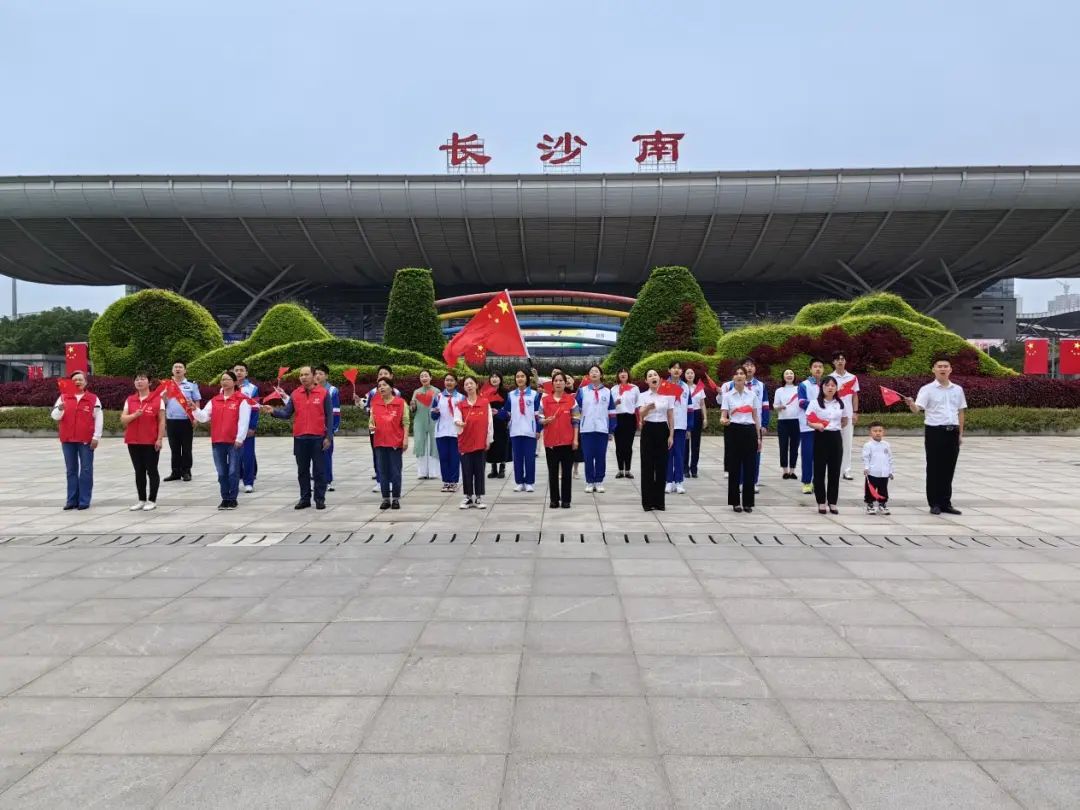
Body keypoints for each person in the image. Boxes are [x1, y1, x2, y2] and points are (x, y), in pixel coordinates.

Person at [262, 365, 333, 510]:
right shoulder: (295, 394)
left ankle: (319, 499)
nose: (303, 377)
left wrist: (329, 436)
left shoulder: (323, 393)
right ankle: (304, 498)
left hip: (318, 438)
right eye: (301, 375)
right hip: (300, 438)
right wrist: (273, 411)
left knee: (319, 471)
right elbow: (287, 413)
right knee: (302, 471)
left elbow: (329, 416)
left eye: (306, 374)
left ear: (314, 376)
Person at [905, 357, 967, 515]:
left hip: (952, 431)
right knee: (934, 468)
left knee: (949, 469)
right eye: (939, 366)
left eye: (946, 366)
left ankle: (946, 502)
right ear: (933, 369)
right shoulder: (927, 389)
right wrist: (911, 404)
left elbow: (960, 411)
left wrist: (960, 433)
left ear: (950, 369)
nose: (943, 369)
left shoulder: (957, 389)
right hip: (935, 432)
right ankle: (934, 503)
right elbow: (918, 409)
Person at [193, 370, 251, 510]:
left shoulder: (242, 399)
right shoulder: (215, 400)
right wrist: (194, 409)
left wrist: (240, 438)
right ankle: (225, 498)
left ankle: (233, 498)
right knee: (221, 472)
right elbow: (203, 417)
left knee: (233, 471)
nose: (224, 382)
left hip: (233, 442)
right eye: (222, 380)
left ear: (234, 382)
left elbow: (244, 421)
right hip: (217, 441)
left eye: (227, 379)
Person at [51, 370, 102, 510]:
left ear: (85, 382)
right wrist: (60, 409)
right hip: (67, 440)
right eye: (74, 380)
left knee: (86, 469)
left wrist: (96, 437)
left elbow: (98, 418)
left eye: (80, 379)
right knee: (71, 470)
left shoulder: (93, 398)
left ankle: (84, 500)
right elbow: (55, 416)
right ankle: (71, 500)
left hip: (86, 440)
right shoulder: (63, 397)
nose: (77, 382)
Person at [718, 358, 769, 493]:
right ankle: (738, 484)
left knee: (752, 458)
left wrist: (763, 425)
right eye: (738, 372)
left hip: (751, 429)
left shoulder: (758, 388)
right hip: (734, 428)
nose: (740, 375)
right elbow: (723, 411)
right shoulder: (728, 388)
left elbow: (761, 410)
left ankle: (752, 482)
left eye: (750, 366)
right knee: (735, 459)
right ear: (733, 375)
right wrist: (724, 420)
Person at [120, 370, 166, 511]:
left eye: (142, 379)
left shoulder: (158, 400)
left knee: (151, 470)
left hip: (150, 441)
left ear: (149, 382)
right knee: (138, 471)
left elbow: (161, 421)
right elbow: (123, 419)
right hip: (133, 441)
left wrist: (159, 438)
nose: (139, 381)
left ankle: (152, 500)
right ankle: (141, 499)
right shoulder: (130, 400)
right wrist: (135, 415)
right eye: (137, 379)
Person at [806, 375, 849, 515]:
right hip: (820, 436)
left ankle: (833, 502)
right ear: (822, 387)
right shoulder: (815, 403)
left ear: (836, 388)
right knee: (819, 471)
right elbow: (808, 421)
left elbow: (845, 420)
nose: (830, 388)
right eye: (827, 385)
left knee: (834, 471)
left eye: (833, 385)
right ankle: (821, 501)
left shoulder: (840, 403)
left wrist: (836, 427)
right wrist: (816, 425)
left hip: (835, 437)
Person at [538, 371, 580, 509]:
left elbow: (576, 421)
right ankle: (554, 500)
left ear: (565, 383)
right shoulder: (545, 400)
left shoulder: (571, 400)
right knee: (553, 472)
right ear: (552, 383)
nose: (558, 383)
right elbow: (539, 418)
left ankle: (566, 500)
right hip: (551, 443)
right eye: (555, 380)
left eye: (561, 380)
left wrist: (575, 439)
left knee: (567, 473)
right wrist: (545, 420)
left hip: (567, 442)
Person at [355, 365, 399, 493]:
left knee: (391, 455)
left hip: (391, 429)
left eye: (385, 373)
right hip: (376, 429)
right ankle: (380, 481)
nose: (382, 376)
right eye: (380, 374)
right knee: (378, 455)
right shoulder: (373, 393)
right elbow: (367, 408)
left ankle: (391, 481)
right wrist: (359, 403)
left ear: (391, 376)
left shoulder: (396, 393)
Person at [498, 368, 542, 492]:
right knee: (517, 458)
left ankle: (529, 482)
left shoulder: (534, 395)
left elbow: (539, 414)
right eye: (517, 377)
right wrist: (498, 413)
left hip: (530, 431)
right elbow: (507, 412)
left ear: (527, 378)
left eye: (522, 376)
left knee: (529, 458)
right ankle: (519, 482)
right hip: (515, 431)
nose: (520, 379)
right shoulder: (511, 395)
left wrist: (538, 429)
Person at [636, 369, 674, 512]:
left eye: (655, 375)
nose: (653, 377)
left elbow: (670, 416)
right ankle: (647, 502)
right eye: (650, 375)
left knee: (661, 466)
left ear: (659, 379)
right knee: (647, 466)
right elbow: (641, 415)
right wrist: (646, 408)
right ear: (646, 381)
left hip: (663, 429)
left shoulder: (668, 395)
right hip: (649, 429)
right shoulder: (643, 396)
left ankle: (659, 502)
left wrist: (671, 435)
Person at [455, 376, 494, 509]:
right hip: (465, 442)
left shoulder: (484, 403)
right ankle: (467, 497)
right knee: (466, 470)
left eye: (471, 383)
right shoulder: (460, 405)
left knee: (479, 470)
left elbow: (489, 423)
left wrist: (489, 439)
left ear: (476, 385)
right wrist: (459, 423)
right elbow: (456, 419)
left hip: (480, 442)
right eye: (466, 384)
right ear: (464, 388)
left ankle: (478, 497)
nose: (469, 386)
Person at [370, 378, 409, 509]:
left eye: (384, 385)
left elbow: (405, 422)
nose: (381, 387)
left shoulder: (400, 403)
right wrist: (371, 427)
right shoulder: (375, 404)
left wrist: (405, 439)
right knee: (382, 471)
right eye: (379, 386)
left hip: (395, 442)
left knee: (395, 471)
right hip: (380, 442)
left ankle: (396, 498)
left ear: (391, 388)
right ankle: (385, 498)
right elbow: (371, 422)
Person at [576, 364, 616, 493]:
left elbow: (612, 412)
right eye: (591, 371)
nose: (594, 373)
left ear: (601, 374)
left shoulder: (607, 392)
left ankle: (599, 481)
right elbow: (576, 411)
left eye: (596, 371)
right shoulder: (582, 391)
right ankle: (589, 481)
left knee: (600, 456)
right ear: (589, 375)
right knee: (588, 456)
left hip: (602, 429)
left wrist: (610, 430)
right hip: (586, 429)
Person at [163, 361, 201, 482]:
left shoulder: (191, 385)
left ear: (185, 370)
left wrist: (195, 417)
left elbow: (196, 402)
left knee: (186, 447)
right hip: (171, 420)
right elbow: (162, 404)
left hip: (186, 420)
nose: (178, 369)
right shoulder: (166, 385)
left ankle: (186, 471)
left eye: (180, 367)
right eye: (175, 367)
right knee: (174, 448)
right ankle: (175, 472)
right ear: (172, 370)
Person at [796, 358, 826, 495]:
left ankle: (818, 482)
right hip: (808, 425)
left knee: (821, 456)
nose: (818, 369)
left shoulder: (828, 384)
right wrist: (818, 407)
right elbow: (801, 403)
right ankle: (807, 482)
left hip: (824, 426)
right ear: (810, 369)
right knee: (807, 455)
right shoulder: (804, 385)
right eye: (815, 366)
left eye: (820, 366)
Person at [431, 372, 464, 493]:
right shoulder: (438, 397)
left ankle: (454, 482)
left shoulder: (461, 398)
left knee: (455, 458)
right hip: (441, 432)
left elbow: (464, 415)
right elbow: (433, 416)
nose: (448, 382)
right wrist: (435, 412)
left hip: (456, 432)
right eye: (446, 380)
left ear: (455, 382)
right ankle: (446, 481)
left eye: (451, 380)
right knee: (444, 458)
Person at [831, 351, 860, 480]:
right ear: (833, 362)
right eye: (837, 359)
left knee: (847, 444)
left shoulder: (852, 378)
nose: (840, 361)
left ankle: (846, 470)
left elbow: (855, 396)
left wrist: (855, 412)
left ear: (845, 361)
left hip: (848, 415)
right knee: (834, 444)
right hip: (833, 416)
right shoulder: (830, 378)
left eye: (842, 359)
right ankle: (834, 469)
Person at [664, 360, 691, 494]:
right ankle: (668, 481)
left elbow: (690, 408)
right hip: (666, 426)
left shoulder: (686, 387)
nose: (676, 370)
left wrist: (689, 427)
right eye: (674, 368)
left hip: (681, 425)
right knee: (668, 455)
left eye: (679, 369)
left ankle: (679, 481)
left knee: (679, 455)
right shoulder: (663, 385)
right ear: (669, 370)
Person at [314, 365, 341, 492]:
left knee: (326, 455)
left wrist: (332, 429)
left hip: (326, 429)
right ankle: (317, 479)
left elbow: (335, 411)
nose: (318, 376)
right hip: (313, 429)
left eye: (321, 373)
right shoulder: (311, 389)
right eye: (316, 373)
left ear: (327, 376)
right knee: (314, 456)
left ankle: (328, 481)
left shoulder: (332, 390)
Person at [233, 362, 259, 493]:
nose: (238, 372)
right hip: (232, 428)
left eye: (241, 370)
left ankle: (249, 482)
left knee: (247, 455)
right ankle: (236, 478)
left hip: (246, 427)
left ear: (246, 373)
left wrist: (252, 427)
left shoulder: (252, 389)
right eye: (236, 370)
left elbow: (255, 409)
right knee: (233, 455)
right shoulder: (226, 387)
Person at [410, 370, 439, 480]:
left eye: (426, 376)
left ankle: (433, 472)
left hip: (433, 421)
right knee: (420, 444)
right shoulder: (416, 392)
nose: (424, 378)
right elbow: (413, 408)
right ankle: (422, 472)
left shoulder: (436, 391)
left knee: (433, 445)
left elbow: (439, 406)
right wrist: (412, 405)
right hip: (419, 421)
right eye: (421, 376)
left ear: (430, 377)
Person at [772, 369, 800, 479]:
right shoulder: (779, 390)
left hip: (796, 421)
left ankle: (792, 470)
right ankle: (785, 470)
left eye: (791, 373)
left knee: (795, 446)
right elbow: (775, 406)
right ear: (783, 377)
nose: (789, 375)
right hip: (783, 421)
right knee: (783, 445)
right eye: (787, 374)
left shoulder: (799, 389)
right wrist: (780, 407)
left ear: (794, 376)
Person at [611, 368, 639, 479]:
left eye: (625, 372)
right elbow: (609, 407)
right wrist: (615, 403)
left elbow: (638, 405)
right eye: (620, 372)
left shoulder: (634, 388)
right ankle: (620, 470)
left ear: (628, 375)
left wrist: (639, 420)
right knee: (619, 445)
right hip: (618, 418)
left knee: (628, 445)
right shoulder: (613, 389)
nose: (623, 374)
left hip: (630, 418)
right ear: (618, 375)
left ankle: (627, 470)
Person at [862, 421, 894, 515]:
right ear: (870, 432)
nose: (878, 433)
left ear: (883, 432)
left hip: (884, 473)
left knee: (883, 489)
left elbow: (890, 458)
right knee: (870, 489)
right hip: (872, 472)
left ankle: (882, 504)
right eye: (875, 431)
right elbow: (865, 458)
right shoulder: (868, 445)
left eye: (880, 431)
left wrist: (891, 471)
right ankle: (870, 504)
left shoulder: (886, 445)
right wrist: (866, 468)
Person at [684, 367, 708, 478]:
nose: (690, 375)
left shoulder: (699, 388)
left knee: (695, 444)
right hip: (685, 415)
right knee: (685, 443)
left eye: (692, 373)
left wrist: (705, 418)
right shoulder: (682, 388)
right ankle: (685, 469)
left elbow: (702, 404)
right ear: (684, 375)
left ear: (694, 375)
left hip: (697, 415)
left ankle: (694, 468)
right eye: (687, 373)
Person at [485, 372, 510, 479]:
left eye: (496, 377)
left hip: (501, 422)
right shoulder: (485, 392)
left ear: (500, 379)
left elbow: (508, 407)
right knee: (492, 444)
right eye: (492, 377)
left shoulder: (505, 392)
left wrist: (499, 412)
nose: (494, 379)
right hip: (490, 421)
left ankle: (502, 468)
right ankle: (493, 468)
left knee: (501, 445)